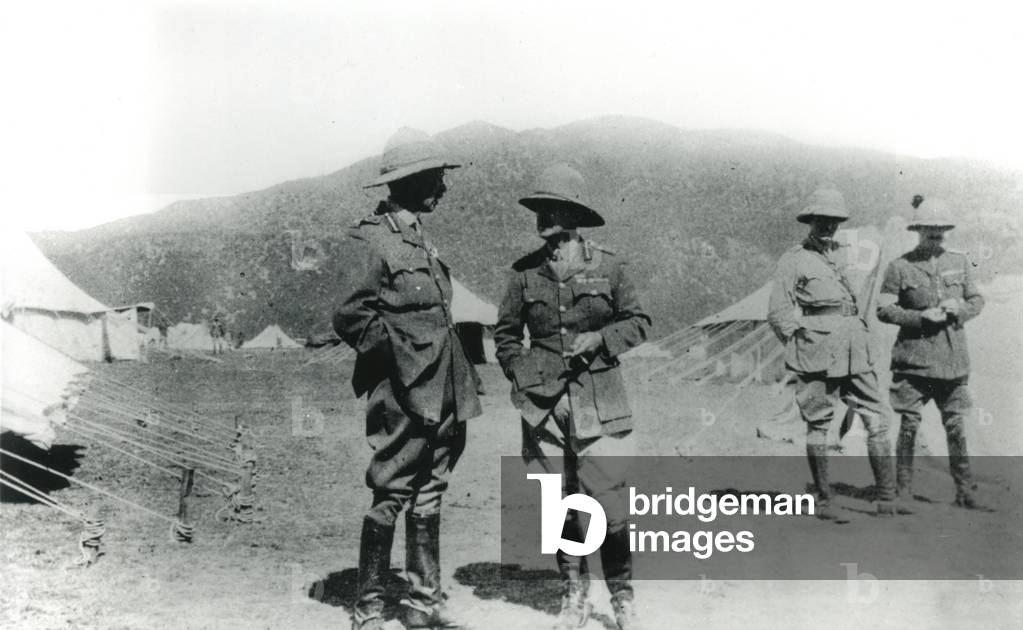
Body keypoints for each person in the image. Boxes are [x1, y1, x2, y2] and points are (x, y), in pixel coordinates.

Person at [333, 127, 483, 630]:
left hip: (447, 387)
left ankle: (423, 604)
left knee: (431, 492)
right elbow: (353, 317)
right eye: (437, 178)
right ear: (414, 181)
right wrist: (401, 362)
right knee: (392, 492)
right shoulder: (372, 239)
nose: (444, 187)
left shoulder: (420, 235)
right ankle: (369, 608)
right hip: (403, 392)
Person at [494, 164, 651, 630]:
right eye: (538, 210)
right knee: (561, 503)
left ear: (573, 214)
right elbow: (505, 338)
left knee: (609, 502)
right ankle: (573, 598)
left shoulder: (611, 266)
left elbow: (639, 321)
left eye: (551, 210)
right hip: (544, 409)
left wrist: (602, 339)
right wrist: (532, 383)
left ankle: (623, 600)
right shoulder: (524, 274)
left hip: (601, 402)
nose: (542, 219)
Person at [767, 186, 907, 521]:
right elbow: (778, 312)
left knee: (878, 418)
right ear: (810, 220)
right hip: (815, 351)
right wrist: (799, 342)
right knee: (818, 423)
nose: (829, 225)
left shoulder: (845, 255)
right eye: (822, 219)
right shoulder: (795, 259)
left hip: (855, 348)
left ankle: (887, 496)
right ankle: (824, 500)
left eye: (835, 220)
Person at [877, 197, 986, 509]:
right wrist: (920, 318)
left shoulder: (960, 262)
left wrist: (961, 309)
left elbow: (977, 301)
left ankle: (965, 490)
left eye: (941, 228)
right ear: (918, 229)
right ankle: (904, 491)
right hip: (913, 360)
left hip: (952, 361)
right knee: (909, 425)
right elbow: (883, 310)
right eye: (930, 228)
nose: (936, 233)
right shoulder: (900, 267)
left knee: (955, 425)